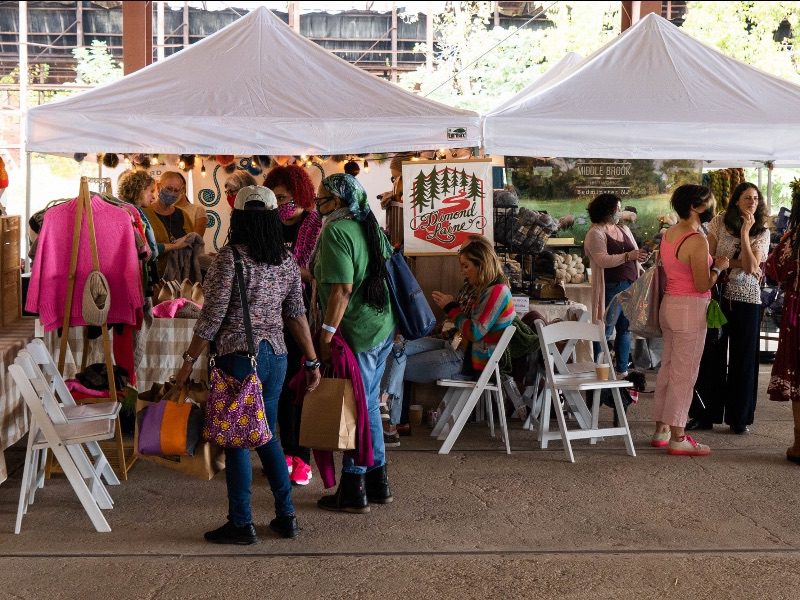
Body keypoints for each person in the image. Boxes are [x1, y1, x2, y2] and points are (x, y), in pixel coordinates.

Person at [174, 185, 320, 544]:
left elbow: (211, 320)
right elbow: (296, 316)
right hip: (277, 359)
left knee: (238, 441)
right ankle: (286, 517)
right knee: (266, 434)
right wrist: (313, 360)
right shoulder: (286, 261)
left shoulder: (230, 259)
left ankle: (241, 523)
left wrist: (188, 362)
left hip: (239, 359)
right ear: (273, 217)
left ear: (237, 217)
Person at [313, 173, 397, 513]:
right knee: (370, 406)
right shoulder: (370, 227)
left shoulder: (336, 231)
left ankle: (354, 486)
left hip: (357, 333)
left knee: (357, 409)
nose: (318, 204)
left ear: (340, 200)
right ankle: (378, 482)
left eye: (323, 198)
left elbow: (342, 289)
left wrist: (326, 334)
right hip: (383, 326)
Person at [380, 236, 514, 446]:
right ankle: (389, 421)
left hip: (464, 359)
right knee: (396, 347)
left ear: (482, 264)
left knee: (396, 361)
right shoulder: (484, 288)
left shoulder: (498, 291)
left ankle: (389, 424)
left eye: (466, 266)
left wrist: (451, 307)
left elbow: (475, 332)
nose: (463, 271)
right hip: (453, 346)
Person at [651, 184, 729, 456]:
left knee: (668, 369)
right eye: (710, 203)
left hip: (670, 305)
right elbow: (701, 283)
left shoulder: (670, 233)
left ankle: (661, 429)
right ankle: (678, 436)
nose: (713, 208)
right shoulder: (697, 239)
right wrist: (718, 266)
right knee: (685, 375)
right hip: (690, 308)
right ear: (696, 207)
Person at [264, 164, 322, 485]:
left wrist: (287, 268)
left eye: (284, 197)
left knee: (302, 388)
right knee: (279, 389)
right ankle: (283, 454)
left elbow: (318, 276)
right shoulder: (267, 224)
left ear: (300, 195)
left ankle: (301, 457)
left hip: (305, 315)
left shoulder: (317, 227)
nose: (279, 203)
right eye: (274, 197)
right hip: (272, 319)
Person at [701, 183, 770, 434]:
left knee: (744, 358)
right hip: (717, 296)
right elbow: (708, 257)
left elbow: (753, 267)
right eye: (747, 198)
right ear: (736, 201)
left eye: (755, 198)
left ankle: (739, 418)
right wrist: (730, 262)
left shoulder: (761, 230)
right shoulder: (719, 222)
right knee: (711, 354)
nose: (752, 202)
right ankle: (705, 415)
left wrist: (744, 233)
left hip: (748, 299)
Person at [584, 193, 648, 376]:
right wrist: (629, 256)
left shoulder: (624, 230)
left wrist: (641, 257)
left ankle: (622, 369)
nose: (620, 212)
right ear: (606, 211)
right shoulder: (595, 233)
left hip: (630, 284)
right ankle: (600, 369)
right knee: (605, 328)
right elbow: (602, 260)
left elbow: (635, 253)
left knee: (625, 329)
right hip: (611, 287)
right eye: (617, 209)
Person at [766, 195, 800, 463]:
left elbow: (774, 269)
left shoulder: (792, 239)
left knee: (797, 374)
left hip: (796, 315)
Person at [142, 172, 193, 277]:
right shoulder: (144, 213)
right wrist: (174, 246)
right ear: (159, 186)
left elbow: (191, 242)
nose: (172, 194)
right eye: (169, 189)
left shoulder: (183, 215)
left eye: (176, 190)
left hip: (181, 276)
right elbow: (143, 249)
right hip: (155, 276)